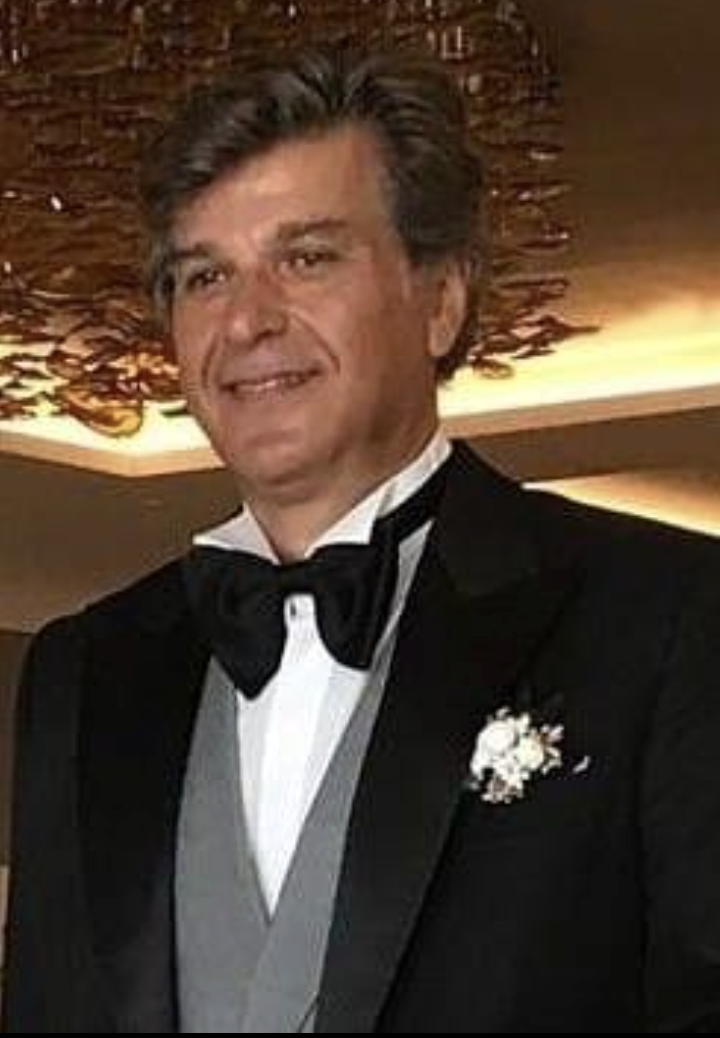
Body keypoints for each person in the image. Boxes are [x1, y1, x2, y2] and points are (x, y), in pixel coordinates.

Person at [3, 44, 720, 1035]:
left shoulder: (665, 616)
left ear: (441, 300)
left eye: (306, 258)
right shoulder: (82, 672)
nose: (247, 321)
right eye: (206, 276)